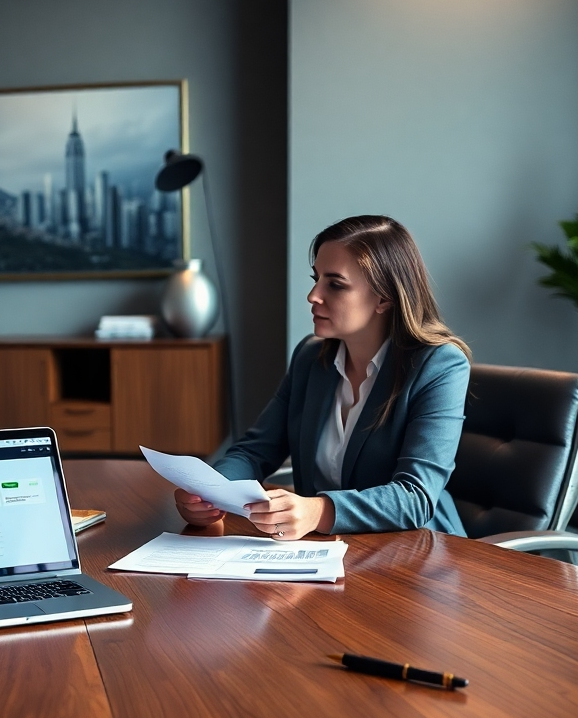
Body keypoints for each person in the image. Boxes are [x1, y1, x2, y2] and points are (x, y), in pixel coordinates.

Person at [175, 215, 472, 539]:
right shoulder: (310, 358)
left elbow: (416, 498)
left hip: (415, 559)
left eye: (335, 284)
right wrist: (210, 492)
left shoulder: (440, 366)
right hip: (325, 552)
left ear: (384, 297)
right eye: (316, 279)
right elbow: (253, 452)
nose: (313, 295)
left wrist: (318, 510)